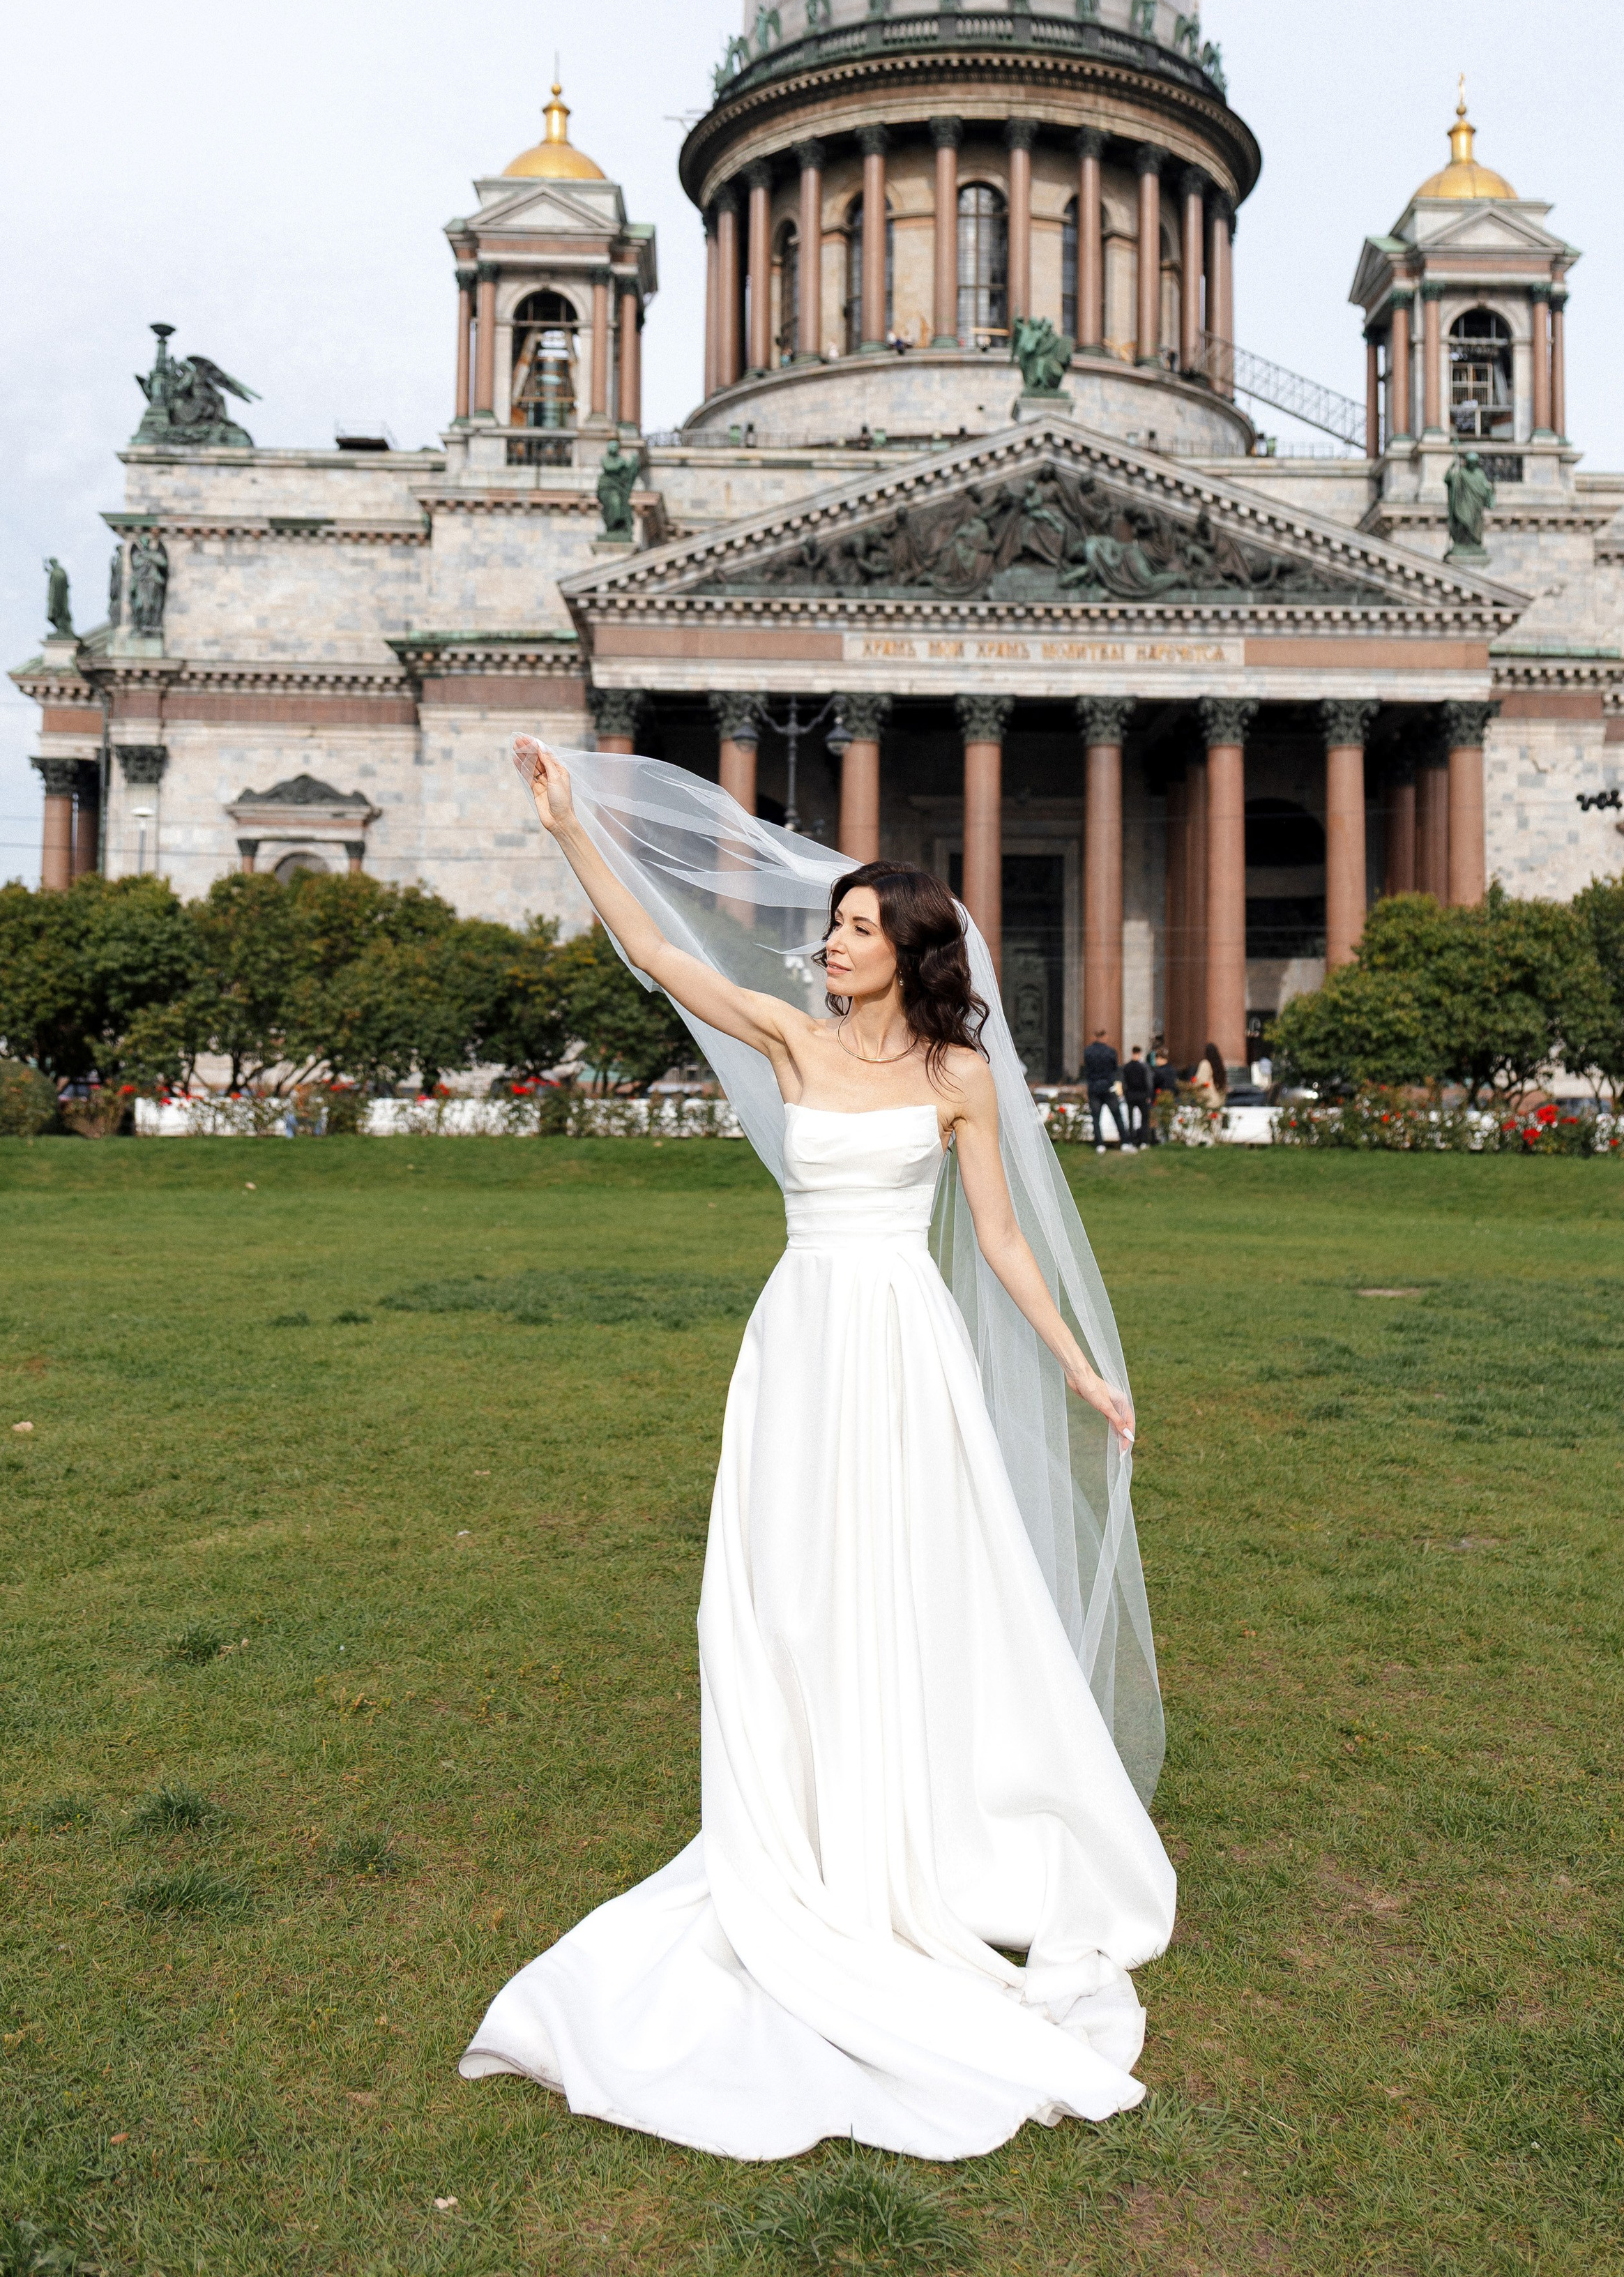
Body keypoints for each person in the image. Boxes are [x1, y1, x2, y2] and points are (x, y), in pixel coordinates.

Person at [461, 739, 1174, 2161]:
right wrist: (567, 835)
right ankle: (793, 1829)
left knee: (904, 1588)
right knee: (778, 1597)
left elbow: (1002, 1244)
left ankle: (909, 1829)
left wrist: (1087, 1373)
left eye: (853, 927)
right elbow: (664, 953)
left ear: (902, 952)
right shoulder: (787, 1039)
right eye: (831, 923)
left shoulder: (961, 1075)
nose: (829, 941)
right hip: (798, 1344)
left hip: (901, 1348)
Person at [1082, 1026, 1127, 1152]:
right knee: (1117, 1116)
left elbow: (1087, 1070)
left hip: (1094, 1088)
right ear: (1105, 1037)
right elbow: (1114, 1069)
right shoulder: (1111, 1052)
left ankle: (1099, 1144)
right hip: (1108, 1087)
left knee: (1096, 1118)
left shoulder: (1088, 1051)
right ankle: (1125, 1141)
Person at [1121, 1047, 1153, 1148]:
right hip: (1142, 1095)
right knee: (1144, 1119)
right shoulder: (1144, 1067)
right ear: (1140, 1053)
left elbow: (1124, 1083)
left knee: (1131, 1119)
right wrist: (1149, 1095)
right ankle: (1144, 1141)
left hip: (1130, 1095)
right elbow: (1149, 1082)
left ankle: (1131, 1140)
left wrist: (1126, 1094)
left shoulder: (1126, 1067)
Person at [1190, 1040, 1227, 1114]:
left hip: (1208, 1101)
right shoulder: (1219, 1065)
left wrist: (1192, 1087)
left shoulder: (1205, 1064)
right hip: (1217, 1101)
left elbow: (1201, 1081)